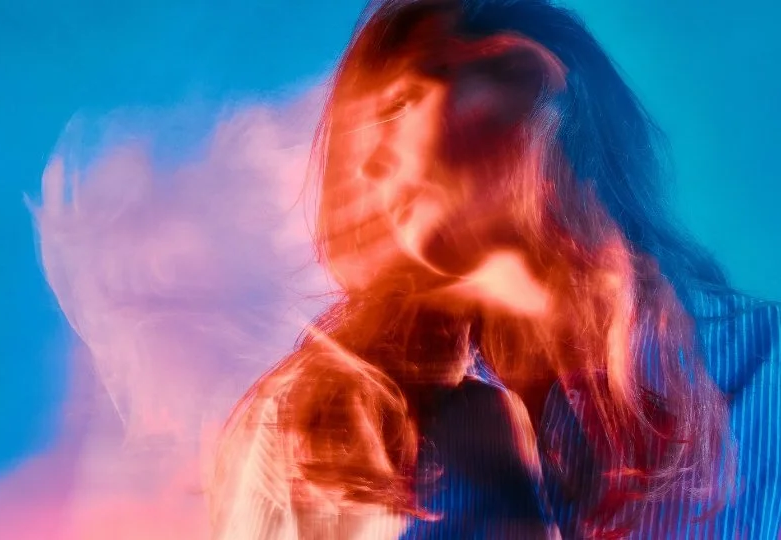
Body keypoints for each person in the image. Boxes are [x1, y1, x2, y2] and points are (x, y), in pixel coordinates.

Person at [209, 0, 780, 538]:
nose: (373, 163)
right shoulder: (299, 424)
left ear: (526, 81)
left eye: (400, 104)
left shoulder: (767, 371)